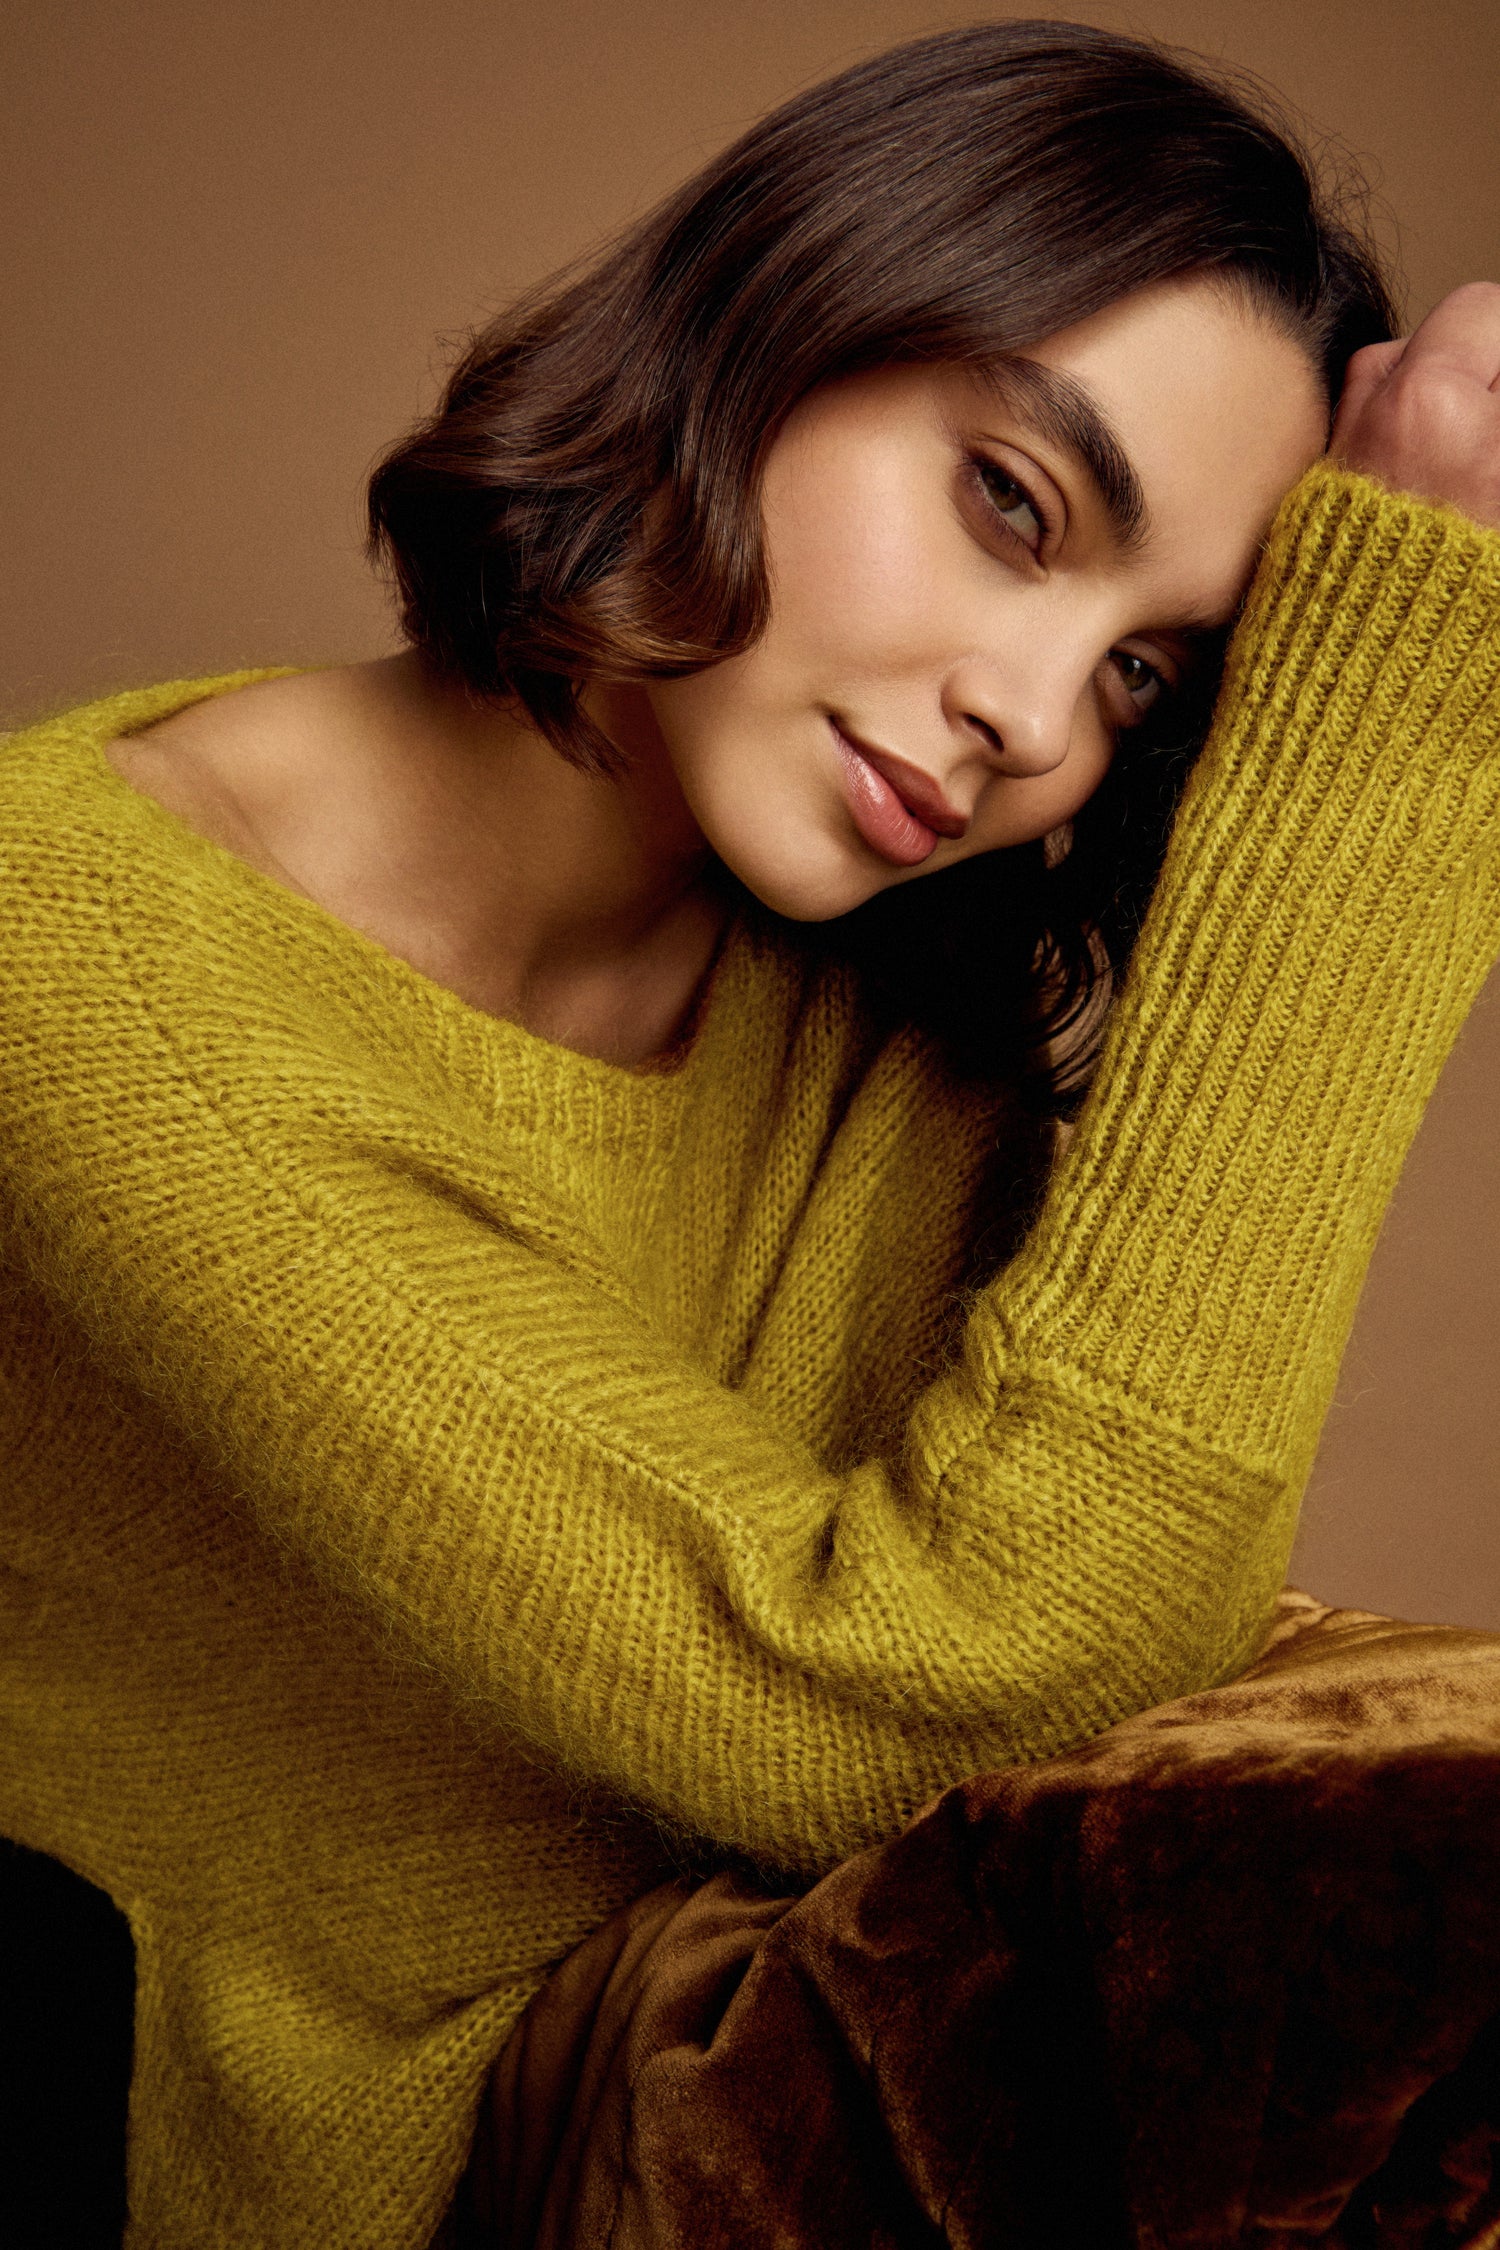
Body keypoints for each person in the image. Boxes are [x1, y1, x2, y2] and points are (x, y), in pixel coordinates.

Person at [2, 18, 1498, 2248]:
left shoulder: (894, 1008)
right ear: (767, 318)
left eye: (1146, 678)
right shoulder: (77, 951)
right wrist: (1404, 739)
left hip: (774, 2096)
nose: (1025, 718)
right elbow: (907, 1697)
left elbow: (1119, 1652)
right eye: (1015, 504)